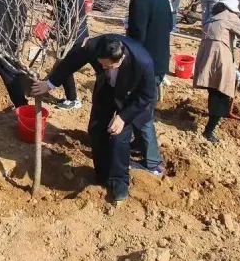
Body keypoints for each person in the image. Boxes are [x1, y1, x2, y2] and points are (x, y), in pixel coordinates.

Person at [31, 34, 157, 204]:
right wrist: (49, 83)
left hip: (129, 97)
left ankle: (119, 181)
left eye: (109, 66)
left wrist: (122, 117)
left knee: (119, 137)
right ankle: (102, 174)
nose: (104, 68)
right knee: (96, 129)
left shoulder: (143, 62)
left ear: (121, 59)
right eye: (101, 64)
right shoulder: (93, 47)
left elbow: (147, 96)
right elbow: (72, 61)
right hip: (105, 91)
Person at [125, 0, 169, 177]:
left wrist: (128, 63)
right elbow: (169, 26)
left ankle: (152, 163)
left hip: (145, 64)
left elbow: (137, 37)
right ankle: (139, 144)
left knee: (141, 112)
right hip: (159, 61)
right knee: (143, 106)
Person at [193, 0, 240, 144]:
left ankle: (215, 115)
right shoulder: (230, 16)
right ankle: (209, 130)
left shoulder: (211, 18)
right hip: (220, 57)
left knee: (213, 89)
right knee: (222, 93)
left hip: (205, 57)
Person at [52, 0, 88, 110]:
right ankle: (70, 97)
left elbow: (70, 19)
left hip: (74, 37)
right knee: (64, 67)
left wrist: (56, 32)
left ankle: (73, 99)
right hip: (69, 36)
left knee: (65, 67)